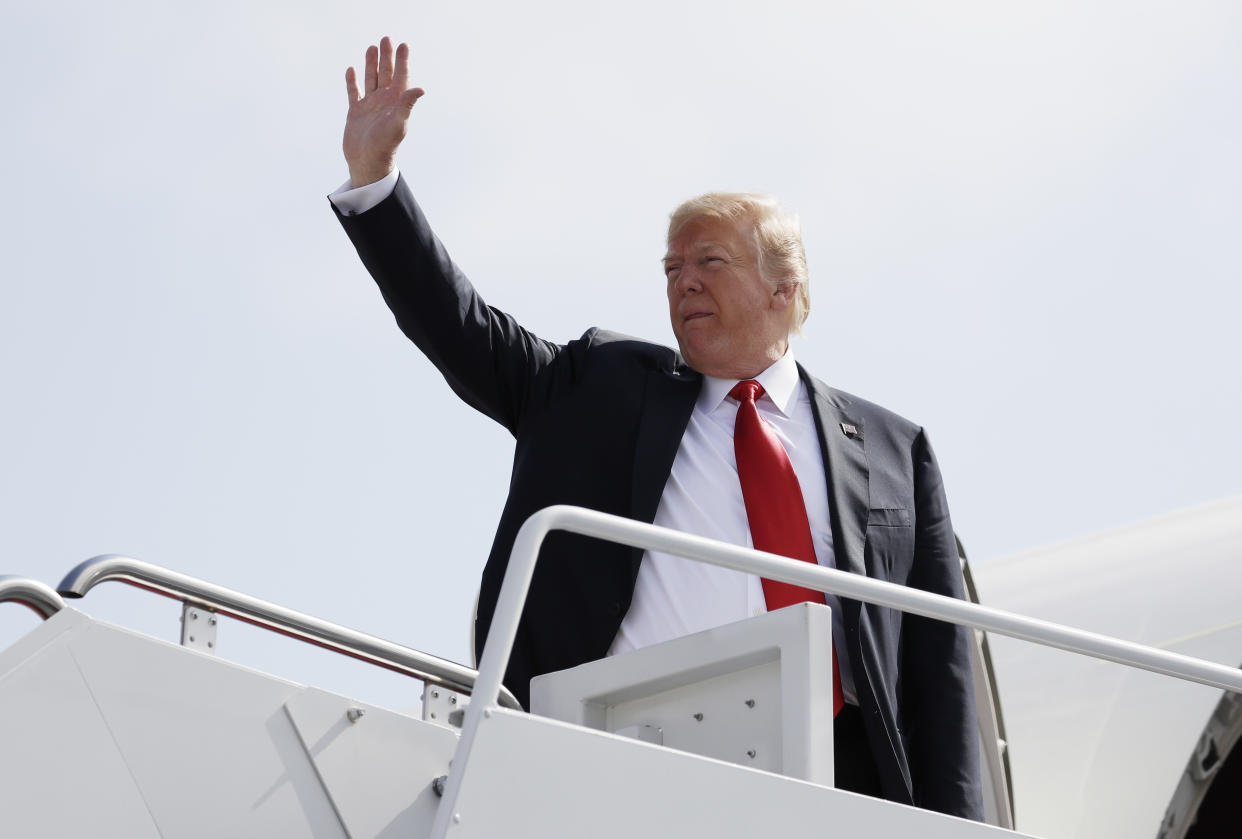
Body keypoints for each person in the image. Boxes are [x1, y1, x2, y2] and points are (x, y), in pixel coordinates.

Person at [330, 37, 983, 821]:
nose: (684, 282)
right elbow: (464, 330)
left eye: (709, 261)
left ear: (784, 287)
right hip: (632, 758)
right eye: (671, 270)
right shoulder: (600, 385)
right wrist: (377, 182)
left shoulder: (893, 448)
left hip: (845, 780)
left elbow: (940, 674)